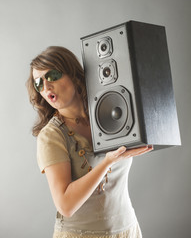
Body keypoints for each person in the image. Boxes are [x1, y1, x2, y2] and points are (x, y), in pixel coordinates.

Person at [26, 46, 153, 238]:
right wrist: (108, 162)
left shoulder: (110, 115)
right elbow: (65, 205)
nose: (45, 87)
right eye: (38, 83)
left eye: (51, 76)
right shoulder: (51, 136)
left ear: (74, 76)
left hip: (128, 230)